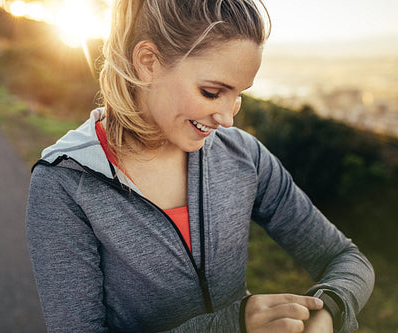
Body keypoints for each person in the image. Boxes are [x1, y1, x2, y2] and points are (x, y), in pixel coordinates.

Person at [26, 0, 375, 332]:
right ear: (148, 62)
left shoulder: (244, 155)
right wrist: (232, 325)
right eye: (211, 92)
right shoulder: (63, 184)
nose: (226, 119)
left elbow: (345, 257)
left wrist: (329, 308)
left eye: (238, 95)